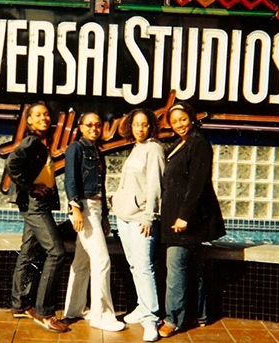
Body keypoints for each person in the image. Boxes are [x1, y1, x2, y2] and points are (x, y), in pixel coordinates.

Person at [158, 102, 226, 338]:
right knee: (191, 268)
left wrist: (183, 217)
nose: (179, 125)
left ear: (192, 118)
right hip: (178, 218)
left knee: (175, 267)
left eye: (183, 119)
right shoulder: (179, 144)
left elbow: (198, 184)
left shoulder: (198, 143)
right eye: (175, 121)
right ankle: (201, 314)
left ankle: (172, 319)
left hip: (186, 220)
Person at [4, 102, 69, 333]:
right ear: (29, 121)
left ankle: (20, 304)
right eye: (37, 115)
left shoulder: (42, 141)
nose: (43, 118)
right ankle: (45, 313)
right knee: (57, 252)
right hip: (35, 205)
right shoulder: (31, 141)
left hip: (39, 203)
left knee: (29, 251)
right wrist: (30, 187)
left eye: (46, 115)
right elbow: (12, 164)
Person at [63, 112, 125, 332]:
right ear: (80, 127)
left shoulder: (97, 151)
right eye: (89, 125)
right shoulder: (75, 149)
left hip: (96, 209)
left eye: (98, 125)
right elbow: (70, 179)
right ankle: (102, 315)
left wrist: (105, 215)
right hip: (84, 208)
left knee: (82, 262)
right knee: (102, 260)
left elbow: (102, 187)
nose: (94, 129)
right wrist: (75, 208)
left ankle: (74, 309)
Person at [111, 108, 165, 342]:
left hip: (141, 218)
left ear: (151, 126)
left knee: (144, 266)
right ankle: (142, 307)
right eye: (135, 124)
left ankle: (152, 317)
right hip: (125, 216)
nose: (139, 128)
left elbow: (156, 185)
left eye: (144, 124)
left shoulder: (153, 148)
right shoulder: (137, 148)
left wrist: (149, 216)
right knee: (135, 265)